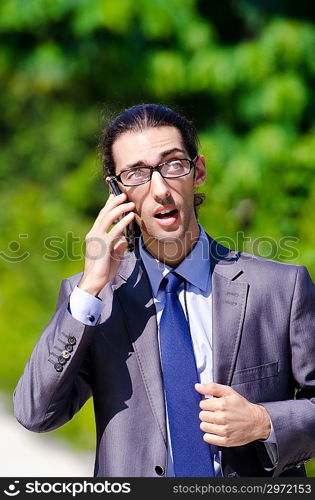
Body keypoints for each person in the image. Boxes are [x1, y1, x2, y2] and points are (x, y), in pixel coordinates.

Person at [14, 104, 315, 478]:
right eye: (137, 173)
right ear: (116, 190)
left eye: (173, 164)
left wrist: (264, 421)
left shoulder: (280, 288)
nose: (160, 190)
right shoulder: (93, 300)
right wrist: (90, 286)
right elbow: (34, 413)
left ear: (198, 171)